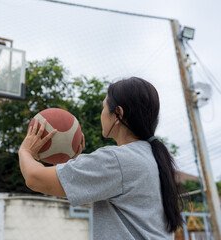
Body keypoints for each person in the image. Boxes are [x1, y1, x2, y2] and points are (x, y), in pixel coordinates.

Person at [18, 77, 182, 240]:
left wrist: (26, 151)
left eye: (104, 107)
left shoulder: (117, 160)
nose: (101, 113)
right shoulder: (152, 158)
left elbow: (34, 178)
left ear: (117, 114)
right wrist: (71, 167)